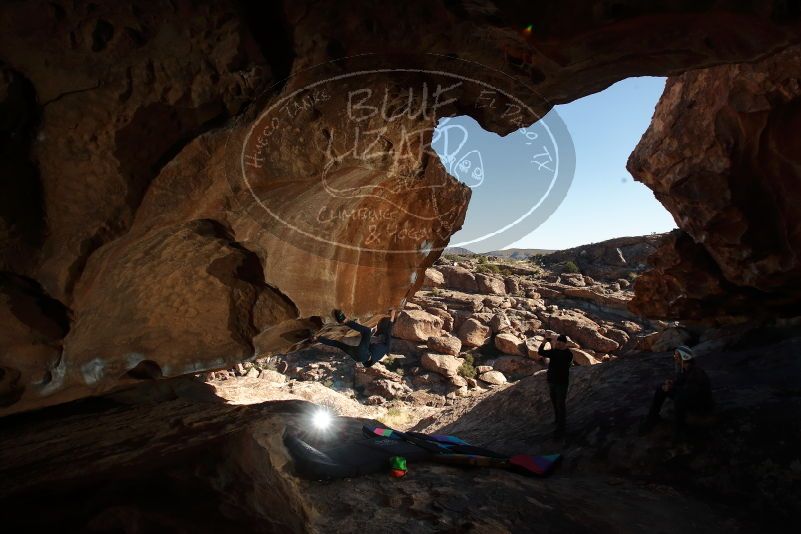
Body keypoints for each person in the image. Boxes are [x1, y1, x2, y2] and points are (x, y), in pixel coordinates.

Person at [640, 345, 714, 437]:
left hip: (700, 404)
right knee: (661, 388)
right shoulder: (685, 369)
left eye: (676, 355)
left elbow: (691, 392)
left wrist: (672, 388)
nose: (675, 357)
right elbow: (681, 382)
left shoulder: (696, 373)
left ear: (683, 357)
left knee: (679, 398)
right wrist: (671, 384)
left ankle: (680, 429)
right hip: (690, 397)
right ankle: (653, 417)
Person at [316, 309, 396, 367]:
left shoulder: (386, 347)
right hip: (357, 357)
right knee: (338, 344)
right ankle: (316, 338)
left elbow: (388, 332)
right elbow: (366, 361)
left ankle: (345, 321)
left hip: (362, 354)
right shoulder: (377, 355)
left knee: (367, 331)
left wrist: (392, 316)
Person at [536, 334, 577, 437]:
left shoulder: (568, 354)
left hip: (561, 383)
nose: (558, 344)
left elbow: (559, 359)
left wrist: (550, 344)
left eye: (560, 343)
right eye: (557, 342)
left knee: (560, 405)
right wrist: (545, 342)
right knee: (555, 403)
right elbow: (540, 352)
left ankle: (561, 428)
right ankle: (557, 420)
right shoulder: (556, 352)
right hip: (552, 381)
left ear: (564, 344)